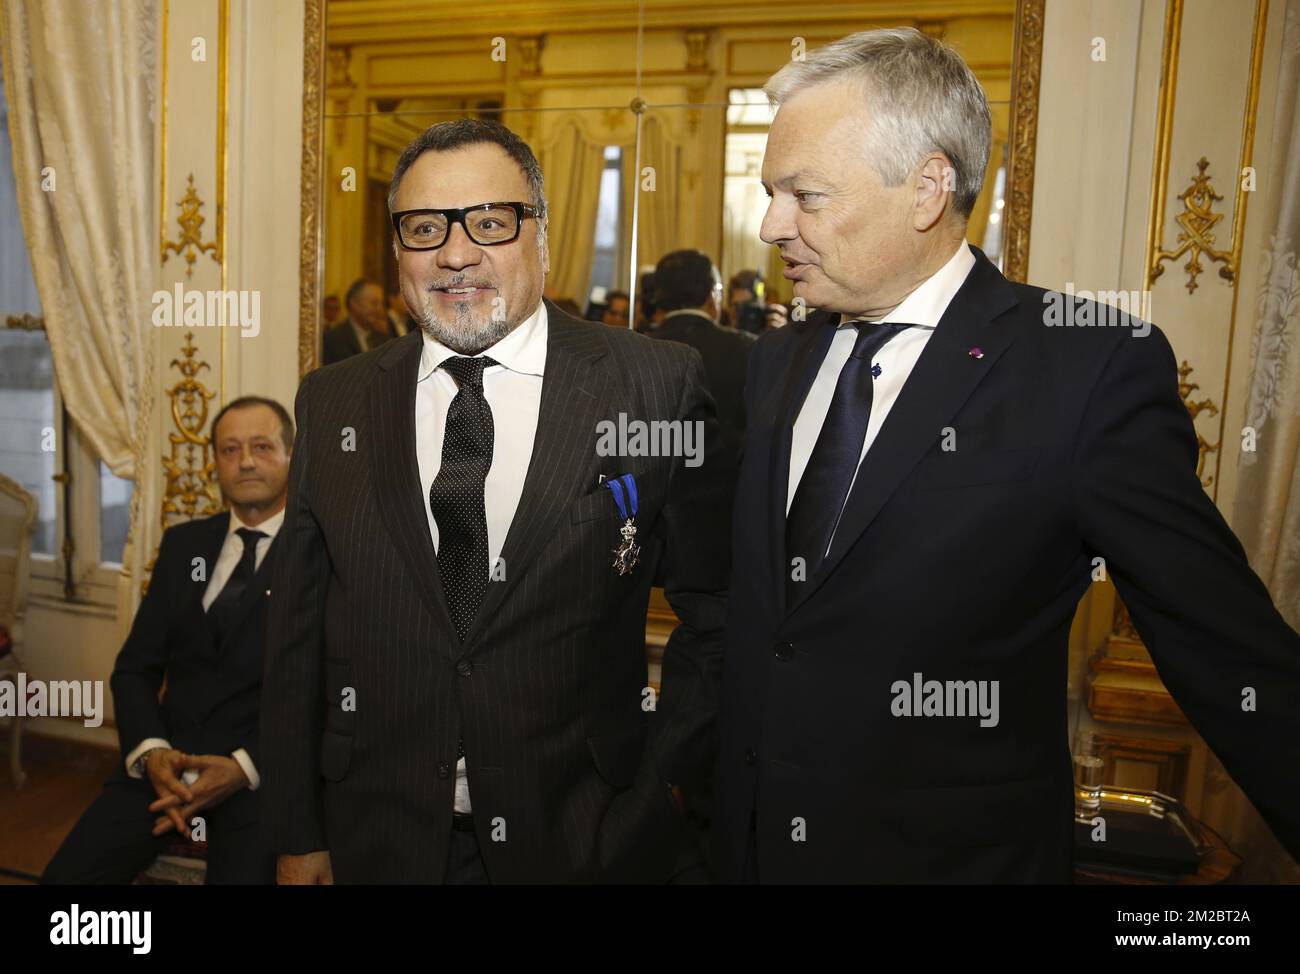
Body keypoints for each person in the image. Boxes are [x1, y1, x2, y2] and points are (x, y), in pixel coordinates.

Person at [714, 27, 1300, 883]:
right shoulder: (774, 361)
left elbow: (1222, 644)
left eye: (804, 194)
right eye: (771, 193)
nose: (771, 226)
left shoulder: (1087, 366)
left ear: (927, 188)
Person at [262, 118, 731, 884]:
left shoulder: (653, 385)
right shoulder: (333, 400)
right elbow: (295, 640)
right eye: (424, 228)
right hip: (375, 835)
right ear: (397, 250)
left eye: (489, 221)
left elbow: (717, 613)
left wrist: (663, 788)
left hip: (583, 832)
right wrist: (297, 829)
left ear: (542, 234)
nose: (455, 253)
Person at [43, 397, 293, 884]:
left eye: (262, 447)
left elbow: (328, 690)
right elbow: (135, 668)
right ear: (214, 464)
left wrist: (243, 767)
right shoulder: (184, 546)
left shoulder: (318, 554)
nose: (245, 461)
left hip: (260, 778)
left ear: (292, 456)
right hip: (163, 771)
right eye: (230, 449)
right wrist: (152, 752)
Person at [648, 250, 755, 472]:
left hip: (650, 489)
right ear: (711, 295)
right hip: (725, 486)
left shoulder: (634, 346)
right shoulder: (747, 348)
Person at [321, 278, 391, 364]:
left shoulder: (383, 339)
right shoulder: (333, 339)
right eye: (374, 303)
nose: (380, 309)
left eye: (381, 304)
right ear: (354, 304)